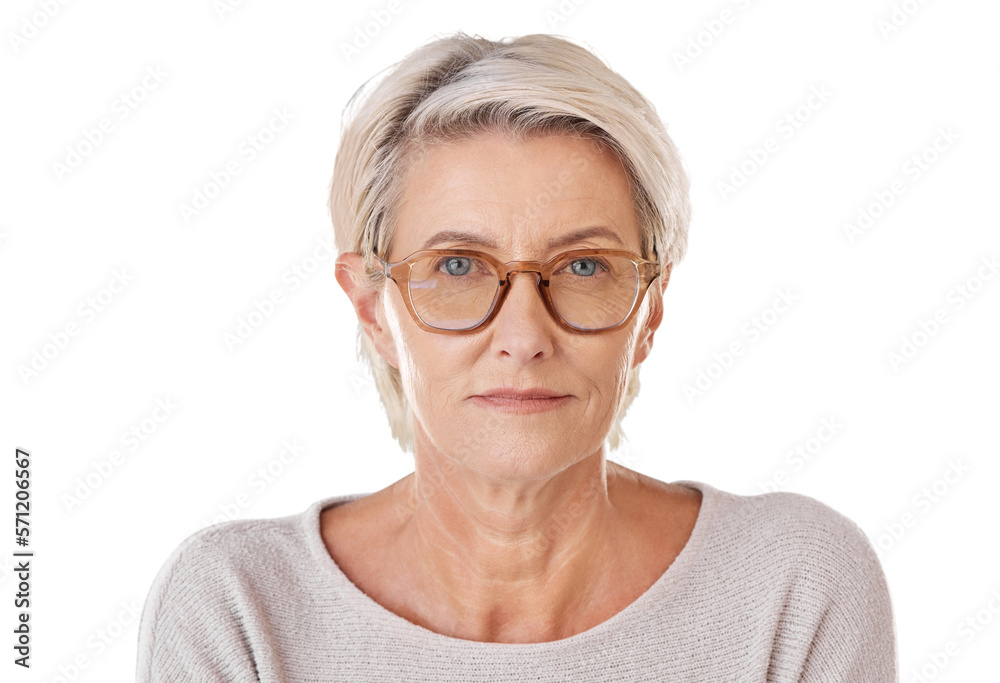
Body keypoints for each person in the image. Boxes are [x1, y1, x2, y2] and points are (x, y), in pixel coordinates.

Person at [135, 32, 897, 681]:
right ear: (372, 306)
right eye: (459, 266)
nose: (525, 335)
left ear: (652, 306)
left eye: (586, 266)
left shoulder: (794, 586)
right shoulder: (237, 606)